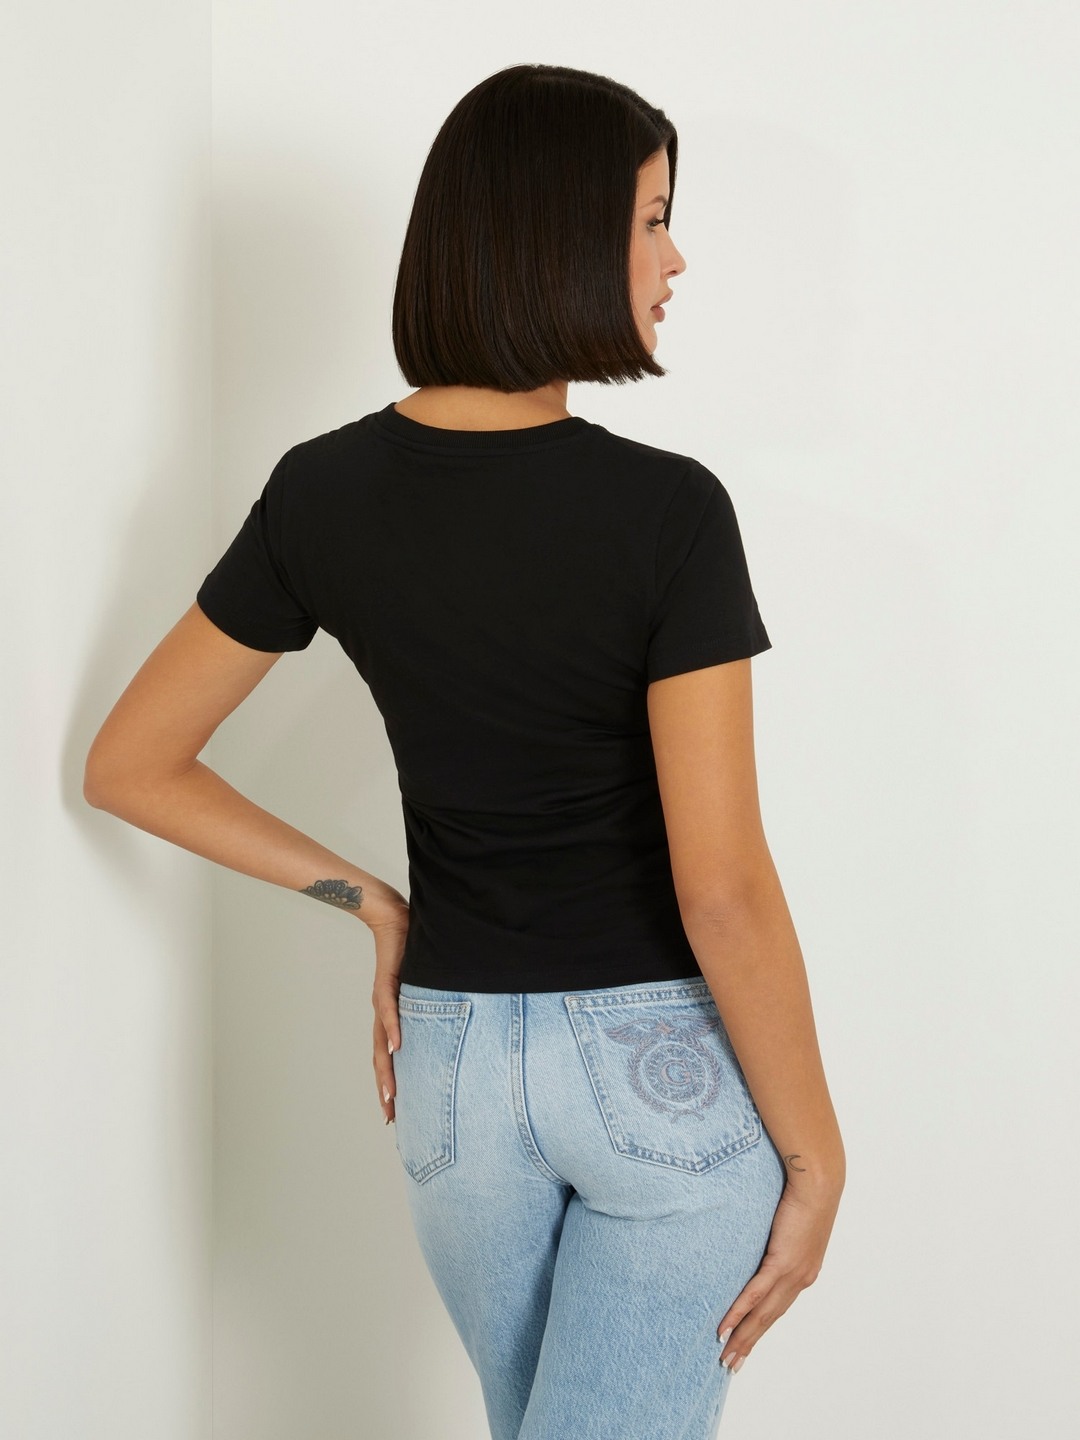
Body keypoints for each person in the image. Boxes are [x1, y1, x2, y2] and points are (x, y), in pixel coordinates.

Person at [84, 62, 845, 1440]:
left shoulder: (323, 491)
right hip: (654, 1070)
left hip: (452, 1076)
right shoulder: (667, 513)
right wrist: (815, 1151)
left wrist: (375, 905)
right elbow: (722, 886)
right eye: (653, 219)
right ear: (562, 235)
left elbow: (133, 762)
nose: (676, 259)